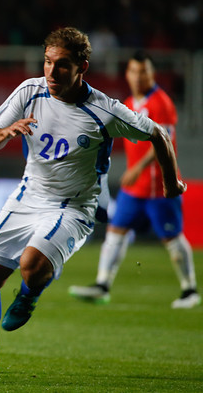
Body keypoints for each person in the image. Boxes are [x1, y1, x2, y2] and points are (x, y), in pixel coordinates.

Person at [0, 27, 186, 374]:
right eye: (48, 62)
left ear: (83, 67)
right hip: (28, 196)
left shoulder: (105, 111)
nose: (51, 72)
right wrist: (4, 133)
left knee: (31, 265)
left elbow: (159, 134)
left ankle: (29, 294)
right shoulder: (30, 91)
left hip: (73, 207)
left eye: (62, 65)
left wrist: (171, 183)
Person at [68, 51, 199, 309]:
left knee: (171, 238)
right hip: (134, 190)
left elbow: (165, 140)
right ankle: (102, 284)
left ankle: (190, 290)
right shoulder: (128, 102)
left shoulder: (161, 102)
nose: (139, 77)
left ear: (152, 74)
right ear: (127, 74)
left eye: (144, 72)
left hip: (159, 187)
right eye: (134, 71)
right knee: (115, 233)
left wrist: (138, 168)